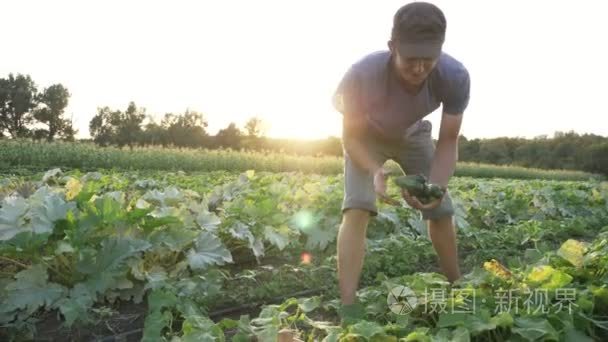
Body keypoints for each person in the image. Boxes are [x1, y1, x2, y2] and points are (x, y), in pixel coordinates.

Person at [331, 1, 471, 323]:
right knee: (357, 206)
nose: (420, 68)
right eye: (411, 58)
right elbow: (351, 138)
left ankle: (458, 287)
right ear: (392, 46)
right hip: (366, 135)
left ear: (441, 49)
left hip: (413, 133)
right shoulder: (362, 74)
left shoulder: (455, 76)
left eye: (429, 58)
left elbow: (449, 140)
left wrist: (436, 187)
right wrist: (375, 170)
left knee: (441, 208)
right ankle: (348, 306)